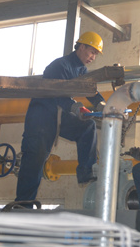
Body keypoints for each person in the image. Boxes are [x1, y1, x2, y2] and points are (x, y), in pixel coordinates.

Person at [14, 31, 106, 204]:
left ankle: (87, 171)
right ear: (81, 47)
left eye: (95, 54)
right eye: (92, 52)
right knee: (35, 161)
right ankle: (22, 205)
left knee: (87, 127)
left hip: (57, 117)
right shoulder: (60, 66)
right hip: (41, 119)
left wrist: (104, 105)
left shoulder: (81, 70)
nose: (93, 57)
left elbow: (89, 90)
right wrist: (76, 108)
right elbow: (57, 95)